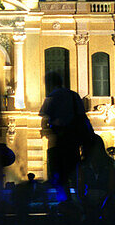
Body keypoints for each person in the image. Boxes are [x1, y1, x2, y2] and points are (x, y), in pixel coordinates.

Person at [39, 71, 93, 202]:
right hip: (74, 140)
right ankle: (84, 201)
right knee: (76, 172)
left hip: (60, 141)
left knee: (60, 175)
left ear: (50, 83)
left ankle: (66, 203)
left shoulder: (52, 96)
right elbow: (82, 114)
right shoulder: (73, 95)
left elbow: (44, 114)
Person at [76, 134, 115, 225]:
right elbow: (80, 188)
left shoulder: (109, 164)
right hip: (89, 198)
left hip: (106, 197)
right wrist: (86, 202)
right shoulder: (83, 166)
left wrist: (103, 202)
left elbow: (111, 188)